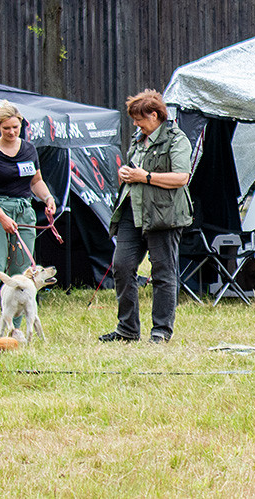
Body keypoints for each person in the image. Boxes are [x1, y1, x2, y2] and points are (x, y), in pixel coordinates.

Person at [100, 90, 192, 344]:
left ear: (154, 115)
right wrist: (126, 172)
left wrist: (146, 177)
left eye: (139, 119)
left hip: (164, 215)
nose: (136, 124)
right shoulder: (138, 138)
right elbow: (134, 166)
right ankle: (127, 329)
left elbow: (182, 177)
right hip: (132, 211)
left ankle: (161, 331)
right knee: (122, 266)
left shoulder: (177, 139)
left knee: (163, 272)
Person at [0, 103, 56, 343]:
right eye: (6, 128)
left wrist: (47, 197)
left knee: (20, 273)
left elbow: (36, 180)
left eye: (15, 127)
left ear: (21, 125)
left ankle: (15, 329)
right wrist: (1, 217)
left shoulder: (29, 149)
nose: (11, 132)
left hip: (23, 212)